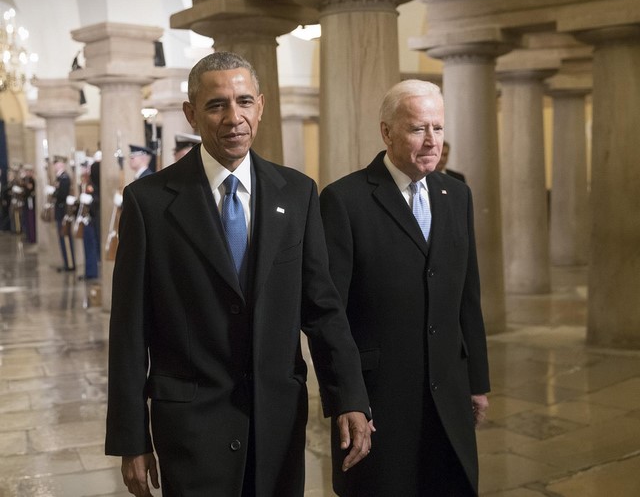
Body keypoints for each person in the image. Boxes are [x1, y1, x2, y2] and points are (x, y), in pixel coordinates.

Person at [105, 51, 372, 497]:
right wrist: (131, 438)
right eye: (217, 105)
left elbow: (323, 308)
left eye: (244, 101)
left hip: (278, 425)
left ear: (261, 106)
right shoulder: (148, 203)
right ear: (191, 113)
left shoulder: (298, 193)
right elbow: (130, 330)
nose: (234, 117)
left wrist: (349, 396)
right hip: (191, 429)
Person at [320, 79, 490, 496]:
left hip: (448, 392)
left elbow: (468, 295)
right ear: (387, 132)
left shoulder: (457, 195)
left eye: (438, 127)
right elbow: (329, 314)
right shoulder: (345, 200)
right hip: (380, 399)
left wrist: (478, 380)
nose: (432, 140)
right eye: (418, 129)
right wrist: (347, 399)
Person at [52, 156, 75, 272]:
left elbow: (62, 195)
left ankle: (70, 263)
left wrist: (53, 193)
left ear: (61, 164)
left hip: (63, 211)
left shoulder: (64, 178)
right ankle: (66, 262)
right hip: (60, 211)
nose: (54, 165)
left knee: (65, 237)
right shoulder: (59, 177)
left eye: (56, 163)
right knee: (62, 238)